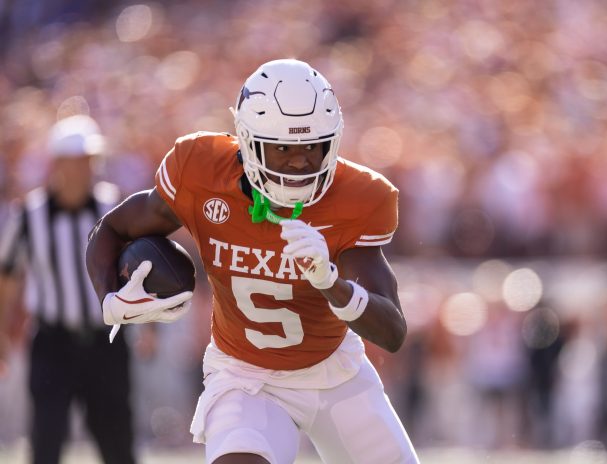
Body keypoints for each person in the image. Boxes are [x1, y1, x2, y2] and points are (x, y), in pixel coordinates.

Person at [86, 58, 419, 464]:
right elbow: (112, 228)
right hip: (246, 377)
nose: (301, 163)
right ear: (246, 140)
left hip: (335, 372)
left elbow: (393, 331)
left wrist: (330, 281)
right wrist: (109, 297)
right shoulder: (202, 171)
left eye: (314, 147)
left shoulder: (359, 198)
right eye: (283, 148)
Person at [0, 115, 137, 464]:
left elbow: (138, 271)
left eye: (88, 160)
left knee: (118, 442)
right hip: (52, 342)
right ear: (58, 163)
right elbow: (9, 274)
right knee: (45, 441)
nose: (83, 169)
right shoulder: (29, 215)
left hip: (106, 341)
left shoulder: (114, 208)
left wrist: (147, 327)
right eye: (75, 161)